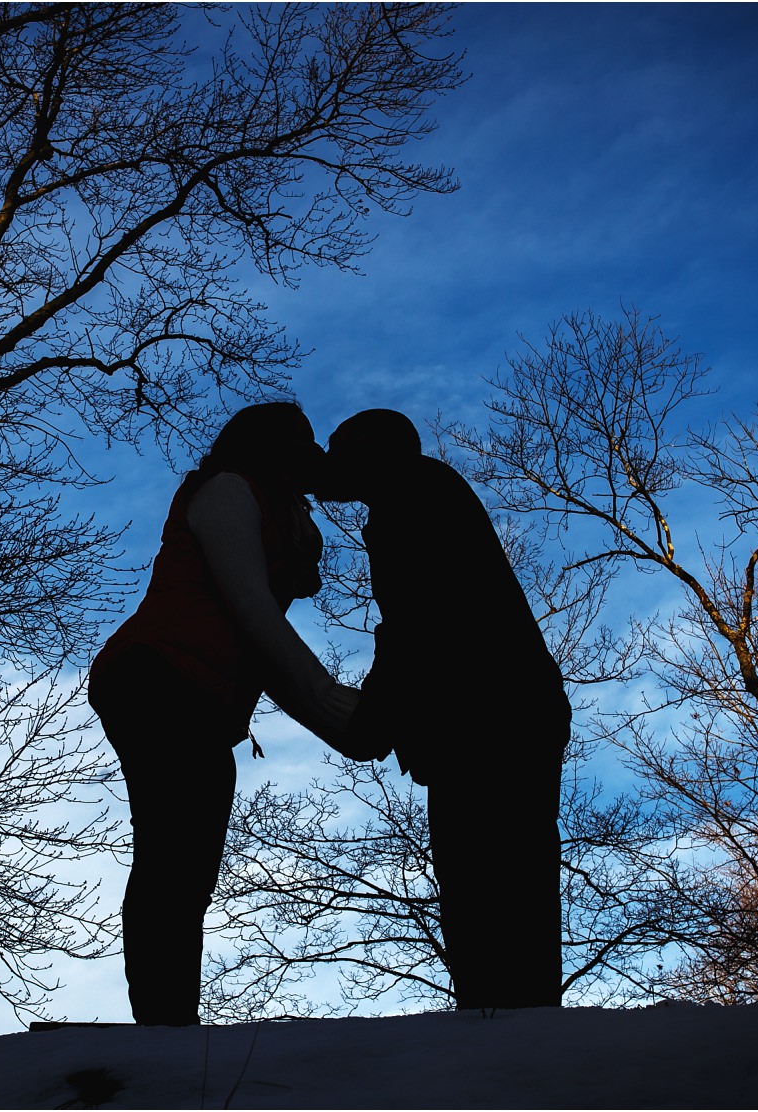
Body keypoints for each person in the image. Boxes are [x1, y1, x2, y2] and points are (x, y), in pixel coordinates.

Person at [89, 402, 360, 1026]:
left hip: (197, 695)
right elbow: (252, 615)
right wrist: (331, 705)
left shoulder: (275, 507)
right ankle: (165, 1025)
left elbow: (259, 645)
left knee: (189, 854)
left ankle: (169, 1021)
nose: (308, 453)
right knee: (174, 850)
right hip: (158, 677)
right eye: (298, 442)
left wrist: (338, 721)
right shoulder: (230, 491)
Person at [320, 408, 569, 1010]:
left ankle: (508, 1031)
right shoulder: (424, 492)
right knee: (511, 879)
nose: (328, 466)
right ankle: (519, 1022)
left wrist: (372, 720)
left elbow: (419, 625)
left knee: (488, 882)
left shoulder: (407, 501)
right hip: (504, 713)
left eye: (338, 452)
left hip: (486, 721)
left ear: (372, 456)